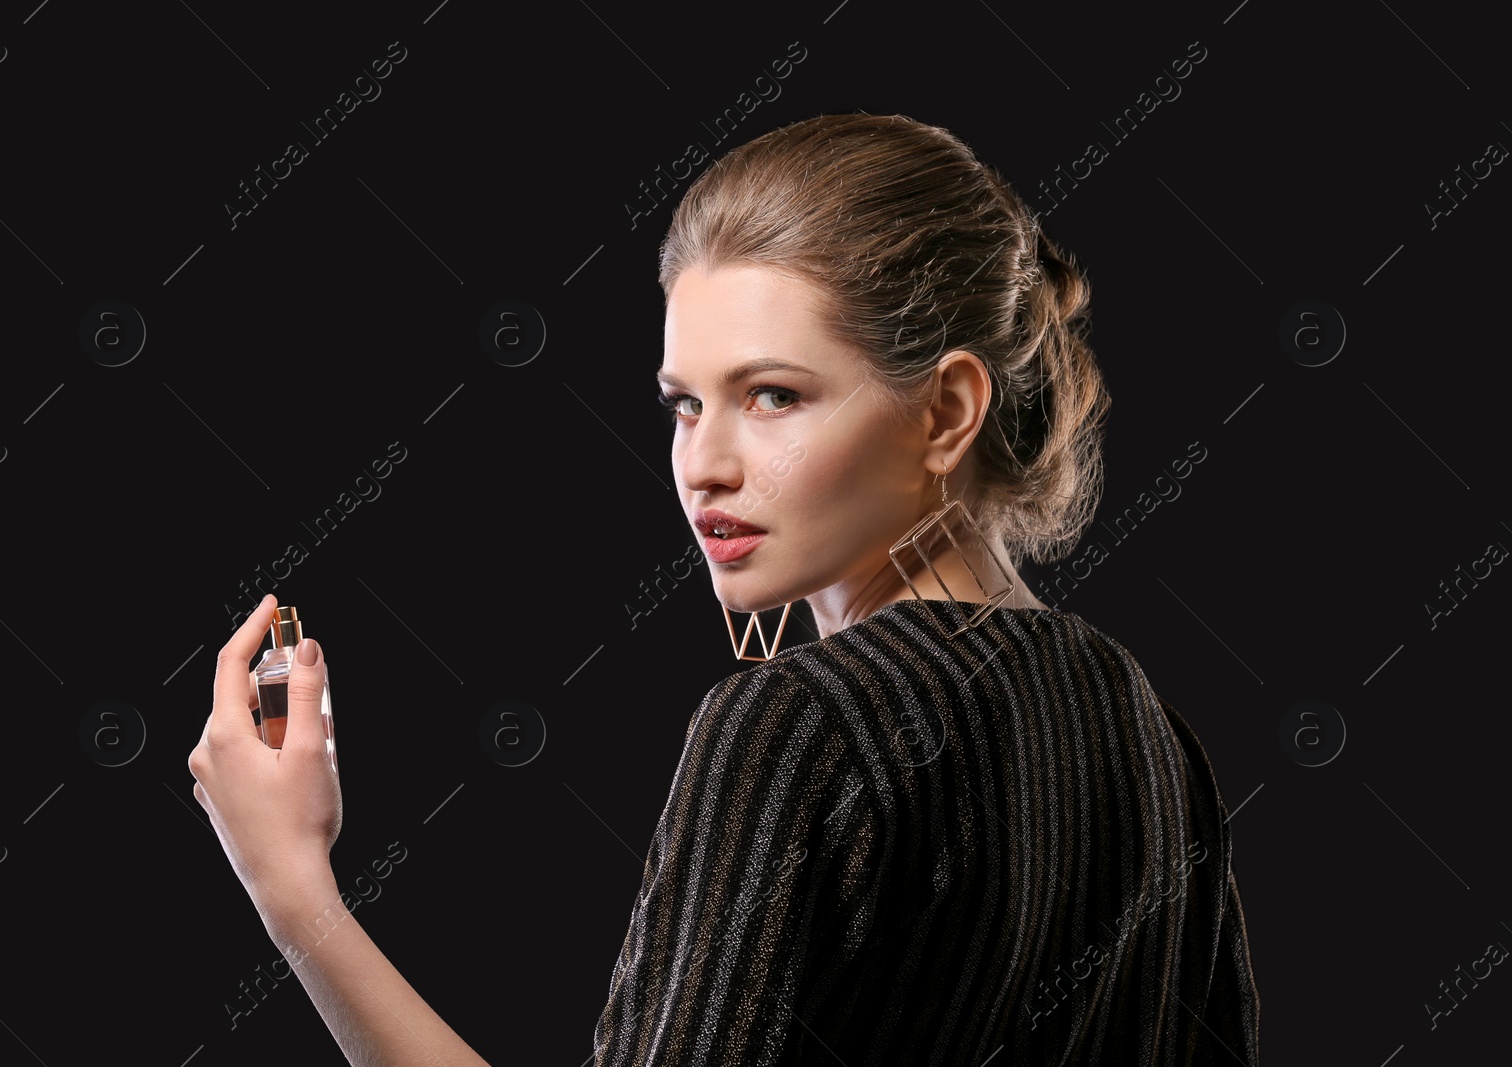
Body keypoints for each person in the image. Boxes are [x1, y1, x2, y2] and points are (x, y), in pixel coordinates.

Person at [189, 113, 1260, 1066]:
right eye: (682, 406)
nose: (703, 462)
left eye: (774, 396)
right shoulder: (1150, 731)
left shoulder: (798, 724)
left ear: (945, 412)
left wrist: (292, 885)